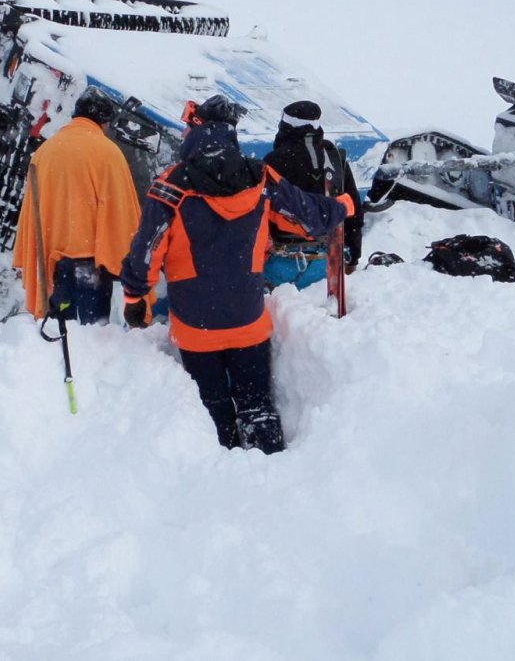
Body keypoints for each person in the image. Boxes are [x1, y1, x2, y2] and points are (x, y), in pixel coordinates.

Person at [118, 95, 352, 454]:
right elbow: (307, 217)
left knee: (213, 412)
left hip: (196, 328)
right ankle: (272, 468)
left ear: (195, 131)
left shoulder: (172, 185)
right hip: (248, 321)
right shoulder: (259, 177)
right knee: (258, 406)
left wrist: (135, 296)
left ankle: (222, 473)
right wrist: (340, 206)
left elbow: (146, 250)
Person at [12, 88, 141, 325]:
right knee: (93, 337)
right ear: (103, 122)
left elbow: (34, 209)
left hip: (52, 261)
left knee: (58, 328)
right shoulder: (108, 153)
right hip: (91, 263)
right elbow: (121, 212)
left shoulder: (45, 151)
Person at [262, 100, 364, 290]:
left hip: (282, 261)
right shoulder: (335, 158)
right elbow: (353, 210)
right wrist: (353, 257)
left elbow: (263, 212)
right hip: (328, 261)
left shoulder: (274, 161)